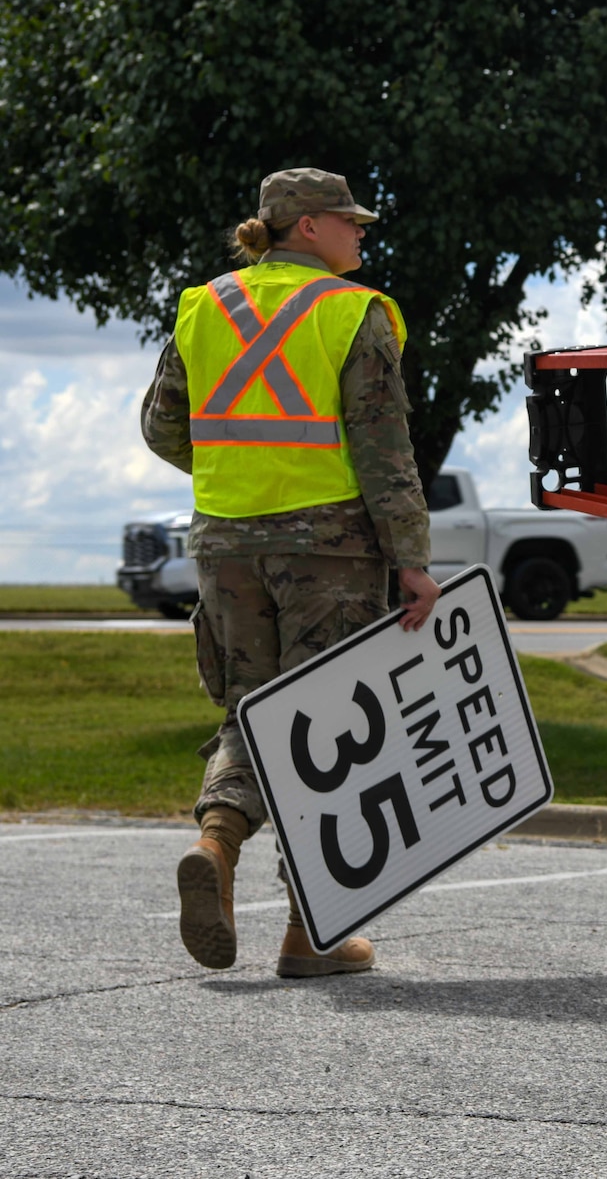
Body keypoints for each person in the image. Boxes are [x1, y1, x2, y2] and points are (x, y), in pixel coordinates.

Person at [142, 167, 440, 978]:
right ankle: (312, 934)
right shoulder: (354, 313)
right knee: (327, 728)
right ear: (308, 226)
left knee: (251, 710)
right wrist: (412, 560)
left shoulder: (205, 306)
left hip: (224, 546)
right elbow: (385, 451)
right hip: (331, 551)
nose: (360, 233)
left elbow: (163, 426)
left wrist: (243, 469)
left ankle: (217, 842)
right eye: (349, 220)